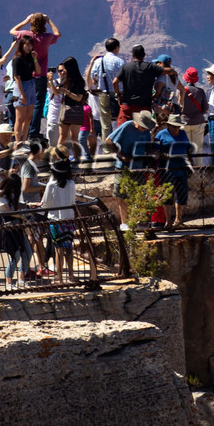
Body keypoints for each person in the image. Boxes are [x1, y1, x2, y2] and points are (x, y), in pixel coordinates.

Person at [10, 13, 61, 135]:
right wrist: (49, 20)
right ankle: (33, 131)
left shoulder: (26, 35)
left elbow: (12, 31)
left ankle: (21, 134)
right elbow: (58, 34)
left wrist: (26, 20)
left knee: (24, 105)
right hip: (41, 74)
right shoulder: (47, 37)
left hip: (27, 75)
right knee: (38, 104)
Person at [40, 153, 78, 281]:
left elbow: (46, 203)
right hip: (69, 219)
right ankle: (71, 275)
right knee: (68, 248)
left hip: (56, 220)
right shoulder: (71, 183)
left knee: (58, 249)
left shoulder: (51, 185)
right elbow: (73, 200)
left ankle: (60, 276)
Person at [84, 39, 124, 159]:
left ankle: (107, 150)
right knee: (120, 121)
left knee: (105, 123)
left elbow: (93, 78)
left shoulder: (98, 62)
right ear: (116, 47)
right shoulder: (120, 61)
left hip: (102, 94)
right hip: (118, 94)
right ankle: (120, 147)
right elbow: (124, 78)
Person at [155, 116, 193, 228]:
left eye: (178, 126)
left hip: (181, 169)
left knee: (182, 194)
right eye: (175, 126)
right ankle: (168, 222)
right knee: (168, 196)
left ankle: (178, 220)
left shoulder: (183, 134)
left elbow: (187, 148)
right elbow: (154, 150)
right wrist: (162, 155)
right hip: (167, 170)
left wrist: (190, 163)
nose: (177, 129)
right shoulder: (161, 135)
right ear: (169, 125)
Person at [117, 46, 159, 128]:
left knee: (123, 129)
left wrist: (118, 94)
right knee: (143, 130)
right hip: (144, 106)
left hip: (128, 105)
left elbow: (115, 82)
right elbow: (166, 71)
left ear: (132, 55)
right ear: (144, 55)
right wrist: (173, 72)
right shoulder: (150, 67)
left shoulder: (126, 67)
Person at [52, 57, 87, 152]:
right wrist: (51, 81)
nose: (63, 71)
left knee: (74, 138)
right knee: (62, 137)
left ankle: (76, 158)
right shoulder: (64, 80)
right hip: (65, 109)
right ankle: (58, 156)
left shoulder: (79, 81)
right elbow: (56, 92)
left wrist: (67, 92)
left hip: (76, 110)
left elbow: (79, 98)